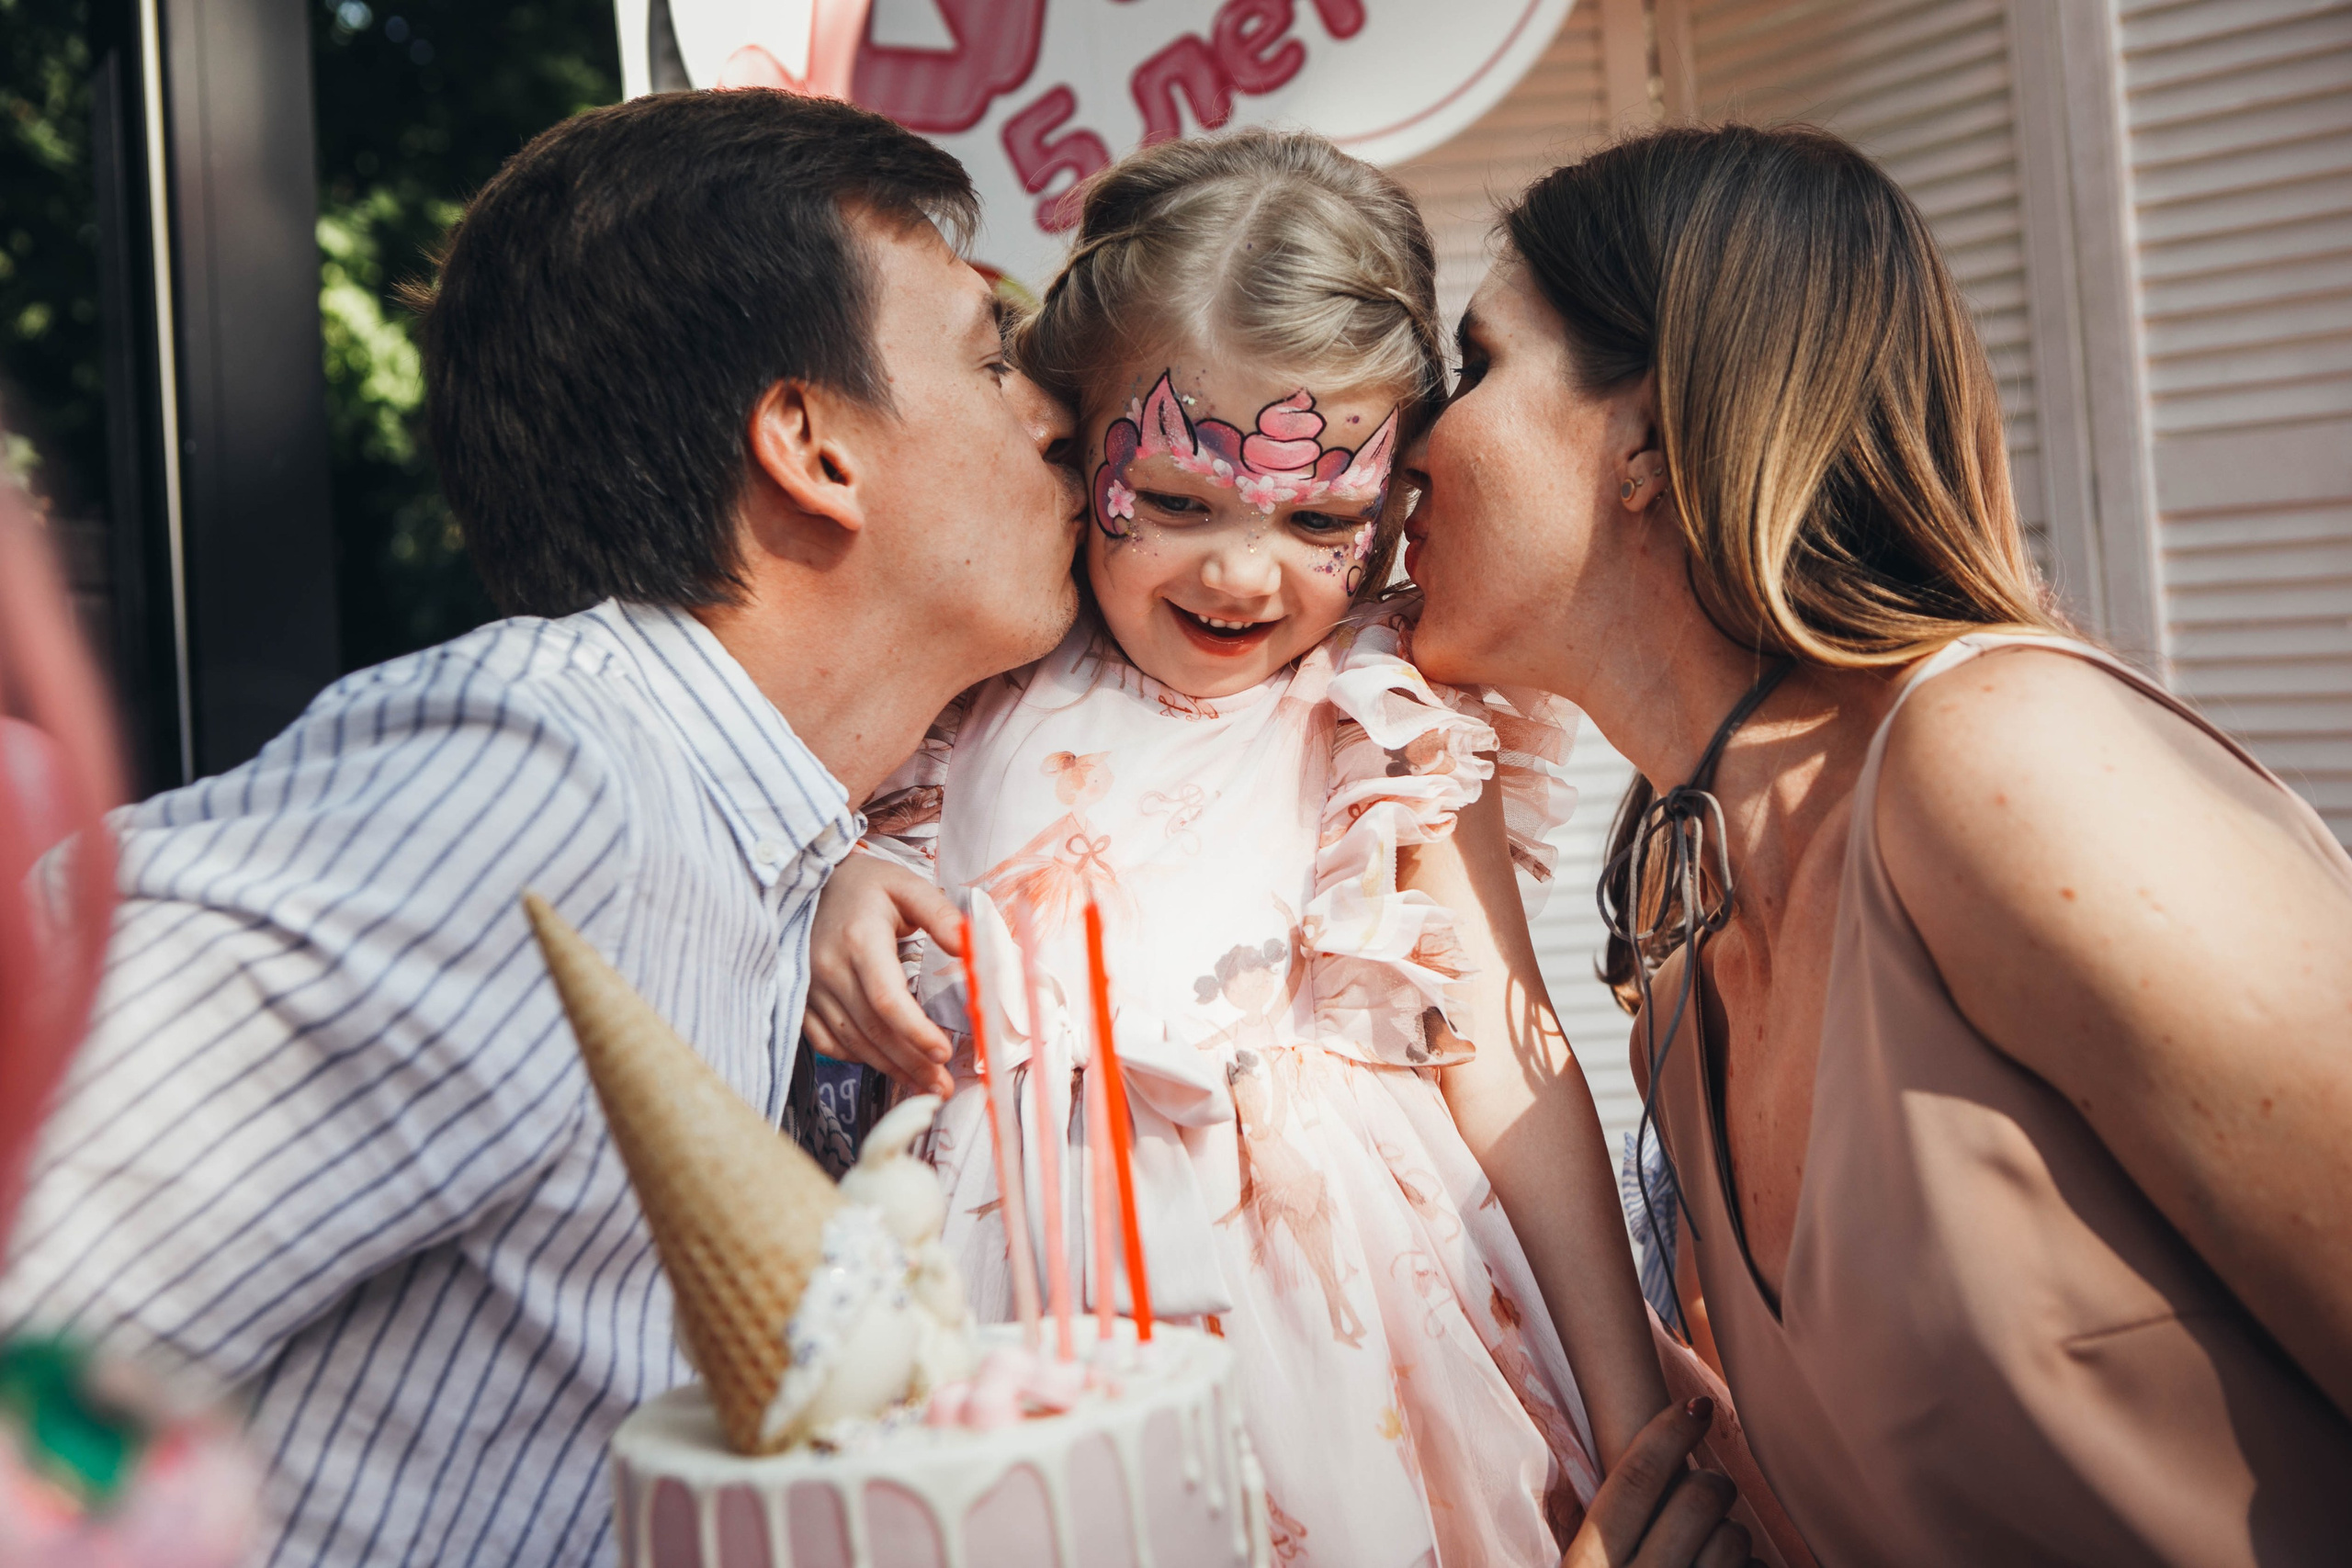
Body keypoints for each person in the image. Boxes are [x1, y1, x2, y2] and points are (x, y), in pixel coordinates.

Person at [0, 89, 1085, 1566]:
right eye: (989, 359)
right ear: (813, 444)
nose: (1052, 413)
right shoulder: (543, 781)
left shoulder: (773, 832)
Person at [1404, 121, 2352, 1565]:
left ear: (1647, 434)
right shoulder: (1679, 950)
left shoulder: (1997, 768)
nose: (1405, 446)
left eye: (1476, 368)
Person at [806, 130, 1671, 1568]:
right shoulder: (981, 677)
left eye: (1321, 515)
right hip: (997, 1297)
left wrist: (1631, 1412)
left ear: (1397, 502)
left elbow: (1509, 1061)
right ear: (1077, 449)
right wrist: (843, 889)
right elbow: (849, 859)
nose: (1239, 569)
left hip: (1336, 1327)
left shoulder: (1377, 712)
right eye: (1181, 499)